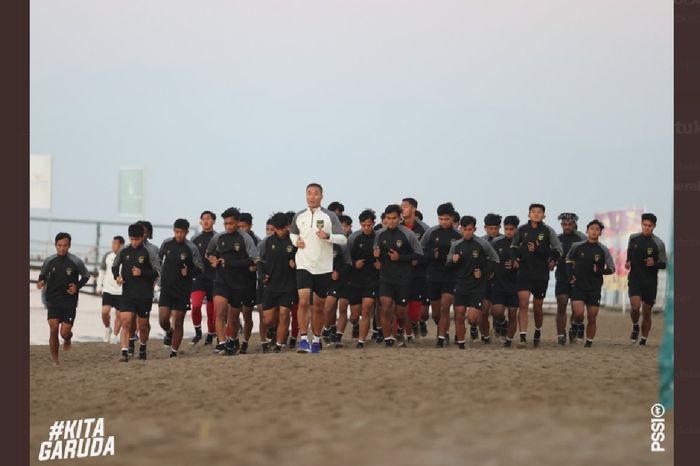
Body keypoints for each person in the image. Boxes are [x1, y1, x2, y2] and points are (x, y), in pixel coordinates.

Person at [289, 183, 348, 353]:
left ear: (321, 196)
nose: (312, 196)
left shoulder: (330, 216)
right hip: (303, 264)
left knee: (319, 306)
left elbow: (343, 239)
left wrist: (328, 236)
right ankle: (303, 340)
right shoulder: (299, 216)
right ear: (305, 195)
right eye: (309, 193)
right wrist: (296, 242)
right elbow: (293, 233)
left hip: (323, 266)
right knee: (304, 300)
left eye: (315, 194)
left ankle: (315, 339)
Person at [206, 207, 259, 356]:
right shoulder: (218, 238)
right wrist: (212, 260)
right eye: (225, 223)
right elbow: (209, 253)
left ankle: (233, 339)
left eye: (231, 223)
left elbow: (253, 259)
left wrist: (231, 263)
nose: (228, 226)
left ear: (237, 223)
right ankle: (222, 343)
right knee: (221, 311)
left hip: (239, 283)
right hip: (221, 280)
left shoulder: (245, 238)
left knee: (234, 317)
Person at [510, 203, 563, 347]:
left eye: (539, 212)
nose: (536, 214)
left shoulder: (548, 231)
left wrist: (540, 250)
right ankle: (522, 337)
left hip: (541, 274)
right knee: (523, 303)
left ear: (544, 215)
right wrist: (515, 259)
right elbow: (514, 247)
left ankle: (538, 330)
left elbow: (558, 250)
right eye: (533, 212)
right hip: (524, 272)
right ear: (528, 215)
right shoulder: (522, 230)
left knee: (538, 307)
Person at [373, 204, 424, 347]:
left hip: (404, 278)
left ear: (400, 217)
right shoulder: (379, 234)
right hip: (386, 278)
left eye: (394, 218)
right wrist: (376, 257)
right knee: (385, 306)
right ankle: (388, 338)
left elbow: (419, 255)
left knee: (401, 312)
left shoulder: (408, 234)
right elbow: (377, 253)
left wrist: (400, 257)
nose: (391, 221)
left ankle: (400, 329)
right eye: (388, 218)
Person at [445, 217, 499, 349]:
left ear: (474, 229)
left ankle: (474, 328)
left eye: (470, 229)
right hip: (461, 284)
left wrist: (483, 272)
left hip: (477, 286)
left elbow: (495, 260)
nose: (467, 232)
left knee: (472, 319)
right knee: (459, 314)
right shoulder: (456, 245)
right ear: (461, 229)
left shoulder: (483, 244)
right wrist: (453, 260)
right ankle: (461, 344)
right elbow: (447, 265)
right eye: (465, 230)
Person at [37, 233, 91, 365]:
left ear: (69, 246)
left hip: (69, 302)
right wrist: (41, 282)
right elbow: (42, 275)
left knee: (64, 332)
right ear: (55, 245)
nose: (62, 248)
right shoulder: (49, 261)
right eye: (59, 245)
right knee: (53, 328)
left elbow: (86, 275)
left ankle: (68, 338)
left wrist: (77, 286)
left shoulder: (76, 261)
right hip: (53, 300)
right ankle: (55, 360)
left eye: (65, 245)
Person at [112, 224, 162, 361]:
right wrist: (117, 276)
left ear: (142, 237)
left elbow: (158, 271)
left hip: (144, 294)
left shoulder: (149, 252)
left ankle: (143, 346)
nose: (134, 242)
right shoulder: (124, 251)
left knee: (143, 325)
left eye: (137, 239)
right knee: (126, 321)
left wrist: (142, 273)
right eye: (132, 239)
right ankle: (124, 352)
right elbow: (115, 266)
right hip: (128, 293)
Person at [157, 219, 204, 357]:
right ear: (173, 231)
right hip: (166, 287)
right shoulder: (166, 243)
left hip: (182, 289)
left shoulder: (191, 248)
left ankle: (174, 352)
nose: (179, 235)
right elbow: (158, 261)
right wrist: (157, 277)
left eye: (182, 232)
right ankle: (168, 332)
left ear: (187, 232)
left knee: (178, 321)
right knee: (163, 319)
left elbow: (200, 268)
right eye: (176, 232)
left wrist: (189, 272)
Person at [566, 220, 615, 347]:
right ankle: (576, 326)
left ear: (600, 233)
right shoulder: (577, 246)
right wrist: (570, 276)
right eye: (591, 228)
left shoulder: (603, 249)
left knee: (592, 317)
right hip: (578, 286)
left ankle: (589, 342)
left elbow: (612, 268)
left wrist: (600, 271)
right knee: (578, 314)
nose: (594, 231)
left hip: (594, 287)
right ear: (587, 231)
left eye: (597, 229)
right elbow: (568, 261)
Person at [256, 212, 298, 353]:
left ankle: (279, 345)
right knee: (267, 320)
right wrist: (262, 275)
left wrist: (296, 263)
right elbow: (259, 261)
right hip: (271, 285)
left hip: (288, 285)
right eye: (277, 229)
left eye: (283, 228)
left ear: (287, 226)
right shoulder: (266, 242)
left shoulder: (294, 241)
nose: (280, 231)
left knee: (285, 314)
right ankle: (272, 330)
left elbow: (302, 259)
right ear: (274, 228)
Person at [421, 203, 461, 346]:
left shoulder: (458, 235)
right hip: (433, 275)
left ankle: (441, 339)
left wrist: (457, 260)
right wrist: (431, 254)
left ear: (452, 219)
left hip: (451, 276)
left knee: (445, 308)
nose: (444, 222)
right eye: (441, 219)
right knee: (436, 313)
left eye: (446, 219)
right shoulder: (431, 233)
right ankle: (444, 330)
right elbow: (421, 252)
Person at [625, 213, 667, 345]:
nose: (647, 228)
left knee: (647, 311)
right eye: (645, 225)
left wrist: (654, 263)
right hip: (635, 278)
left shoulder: (659, 243)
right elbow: (629, 255)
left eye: (650, 226)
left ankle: (643, 340)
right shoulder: (633, 238)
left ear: (654, 226)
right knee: (635, 307)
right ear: (641, 224)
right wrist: (627, 262)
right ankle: (635, 325)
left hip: (650, 282)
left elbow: (664, 263)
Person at [346, 209, 381, 348]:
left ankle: (361, 341)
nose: (366, 228)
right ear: (360, 224)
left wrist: (380, 263)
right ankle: (355, 325)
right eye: (364, 225)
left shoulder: (379, 238)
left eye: (369, 225)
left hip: (372, 280)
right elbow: (346, 259)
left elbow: (385, 257)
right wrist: (355, 264)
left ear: (373, 224)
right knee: (355, 316)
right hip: (355, 280)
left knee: (367, 310)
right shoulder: (354, 238)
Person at [554, 213, 587, 345]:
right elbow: (552, 254)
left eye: (569, 224)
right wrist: (551, 262)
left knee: (576, 310)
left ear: (574, 224)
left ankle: (573, 328)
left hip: (578, 278)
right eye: (564, 224)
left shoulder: (582, 238)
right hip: (561, 276)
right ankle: (561, 335)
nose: (567, 227)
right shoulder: (557, 238)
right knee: (561, 305)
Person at [400, 197, 430, 340]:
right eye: (402, 206)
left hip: (419, 274)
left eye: (405, 206)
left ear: (413, 209)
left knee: (415, 311)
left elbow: (428, 253)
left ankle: (415, 323)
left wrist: (416, 261)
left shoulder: (424, 229)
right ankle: (407, 334)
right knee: (401, 306)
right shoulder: (398, 226)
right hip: (400, 274)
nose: (402, 209)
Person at [491, 216, 521, 347]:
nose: (509, 232)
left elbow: (529, 262)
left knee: (513, 314)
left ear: (516, 229)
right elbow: (489, 258)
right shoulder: (496, 243)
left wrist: (517, 264)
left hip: (515, 285)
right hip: (498, 283)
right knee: (497, 312)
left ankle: (508, 340)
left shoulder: (521, 244)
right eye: (506, 229)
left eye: (511, 229)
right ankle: (502, 323)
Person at [189, 210, 217, 345]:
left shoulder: (219, 238)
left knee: (212, 312)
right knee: (195, 306)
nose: (206, 221)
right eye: (203, 219)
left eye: (209, 218)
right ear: (200, 222)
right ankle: (198, 332)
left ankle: (210, 335)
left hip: (214, 278)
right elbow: (189, 258)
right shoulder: (195, 239)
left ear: (214, 221)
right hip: (198, 278)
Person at [238, 212, 262, 354]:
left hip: (250, 282)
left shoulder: (257, 241)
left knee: (247, 314)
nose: (241, 229)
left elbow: (261, 260)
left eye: (244, 227)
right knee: (232, 312)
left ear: (250, 226)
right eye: (239, 226)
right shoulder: (232, 238)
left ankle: (245, 342)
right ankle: (232, 339)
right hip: (233, 281)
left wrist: (255, 267)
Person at [321, 241, 352, 347]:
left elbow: (349, 263)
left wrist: (339, 271)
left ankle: (338, 337)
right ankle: (326, 329)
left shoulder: (343, 245)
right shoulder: (323, 244)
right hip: (330, 281)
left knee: (343, 308)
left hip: (345, 280)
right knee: (329, 307)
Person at [479, 213, 503, 342]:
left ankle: (499, 323)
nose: (493, 231)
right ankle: (485, 336)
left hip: (501, 281)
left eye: (496, 228)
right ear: (485, 228)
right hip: (484, 280)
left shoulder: (506, 241)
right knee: (483, 311)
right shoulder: (480, 242)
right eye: (490, 228)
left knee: (497, 312)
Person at [96, 235, 125, 343]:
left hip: (121, 290)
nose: (113, 246)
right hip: (108, 289)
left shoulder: (125, 256)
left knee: (119, 314)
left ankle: (115, 335)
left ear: (121, 245)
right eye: (112, 243)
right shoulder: (107, 256)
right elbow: (102, 271)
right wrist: (99, 287)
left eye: (115, 243)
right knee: (104, 312)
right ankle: (108, 328)